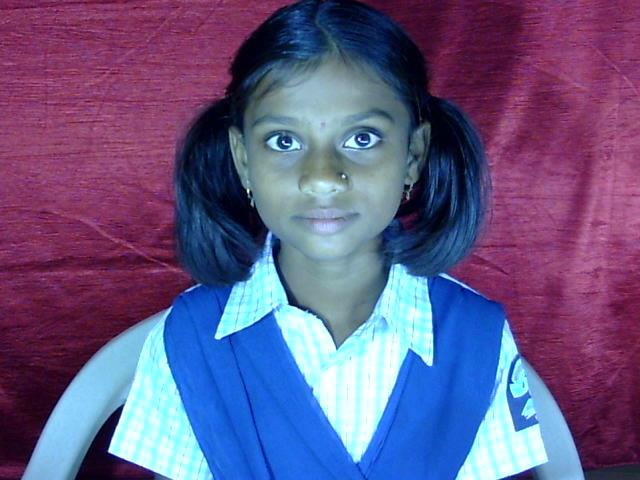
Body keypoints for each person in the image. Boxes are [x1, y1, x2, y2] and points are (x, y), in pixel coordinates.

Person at [109, 0, 548, 478]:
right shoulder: (188, 338)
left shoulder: (475, 336)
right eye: (283, 141)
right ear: (242, 159)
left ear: (413, 155)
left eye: (362, 138)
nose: (322, 177)